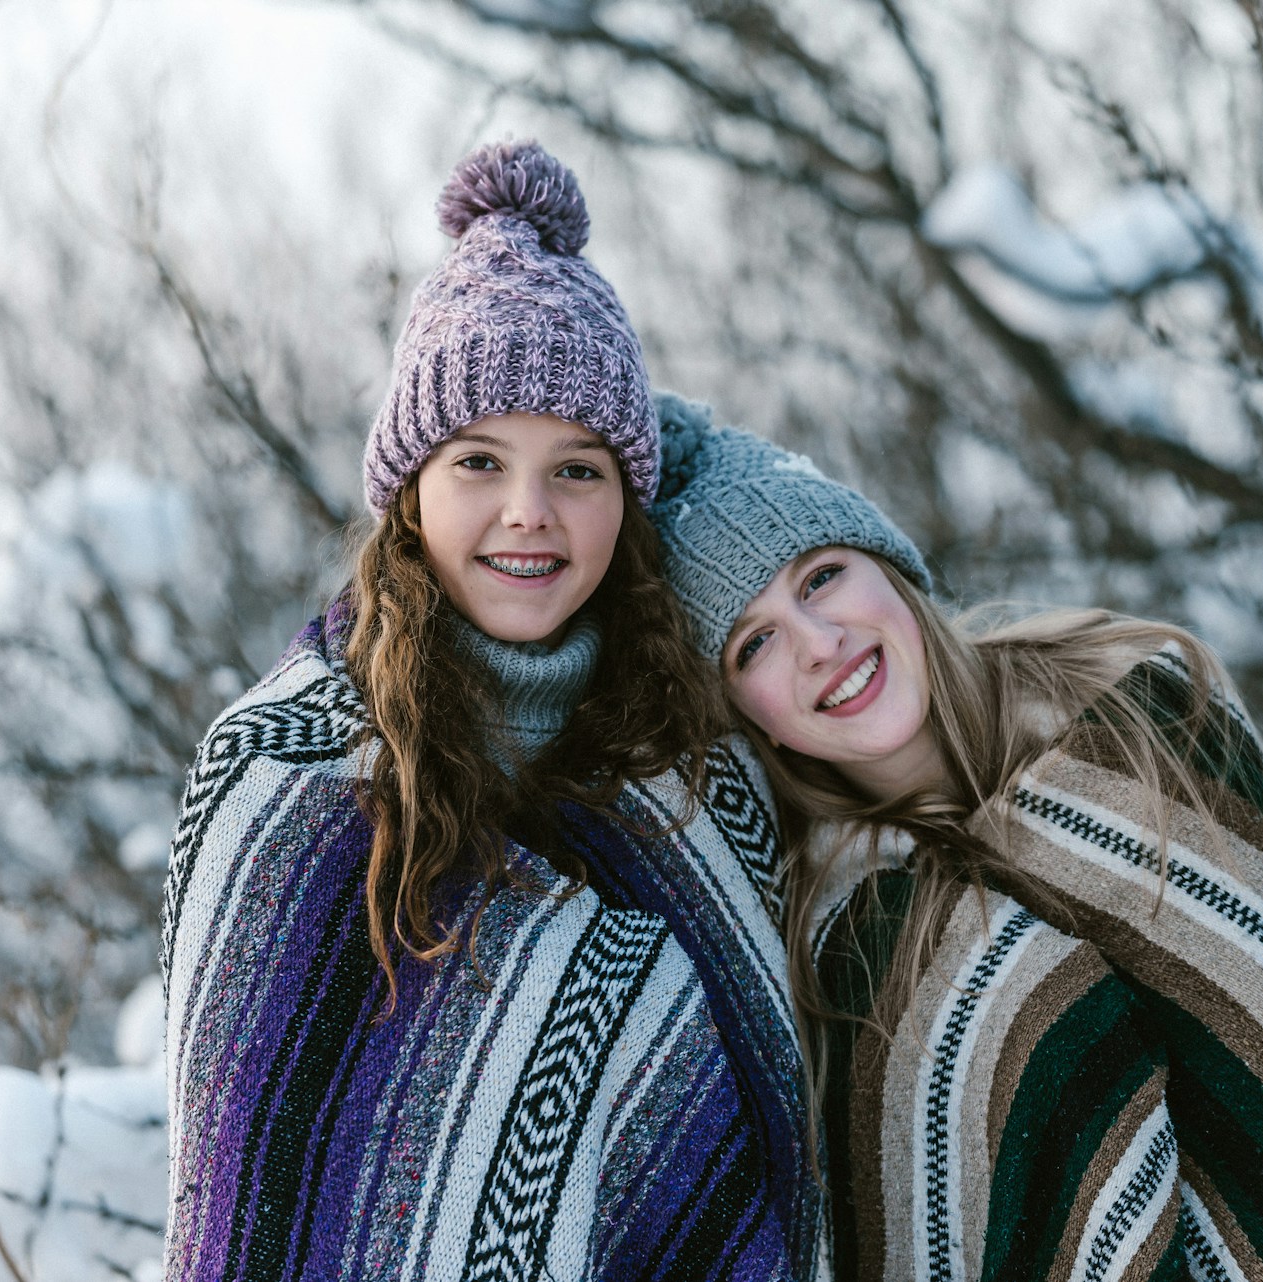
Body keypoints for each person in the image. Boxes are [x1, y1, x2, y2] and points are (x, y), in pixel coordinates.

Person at [161, 143, 818, 1282]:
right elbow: (253, 1199)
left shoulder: (702, 773)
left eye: (579, 469)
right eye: (479, 461)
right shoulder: (280, 781)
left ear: (629, 499)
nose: (530, 515)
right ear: (410, 491)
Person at [648, 398, 1263, 1282]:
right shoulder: (855, 954)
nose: (820, 643)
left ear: (890, 567)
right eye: (754, 644)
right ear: (747, 721)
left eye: (821, 578)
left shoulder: (1147, 729)